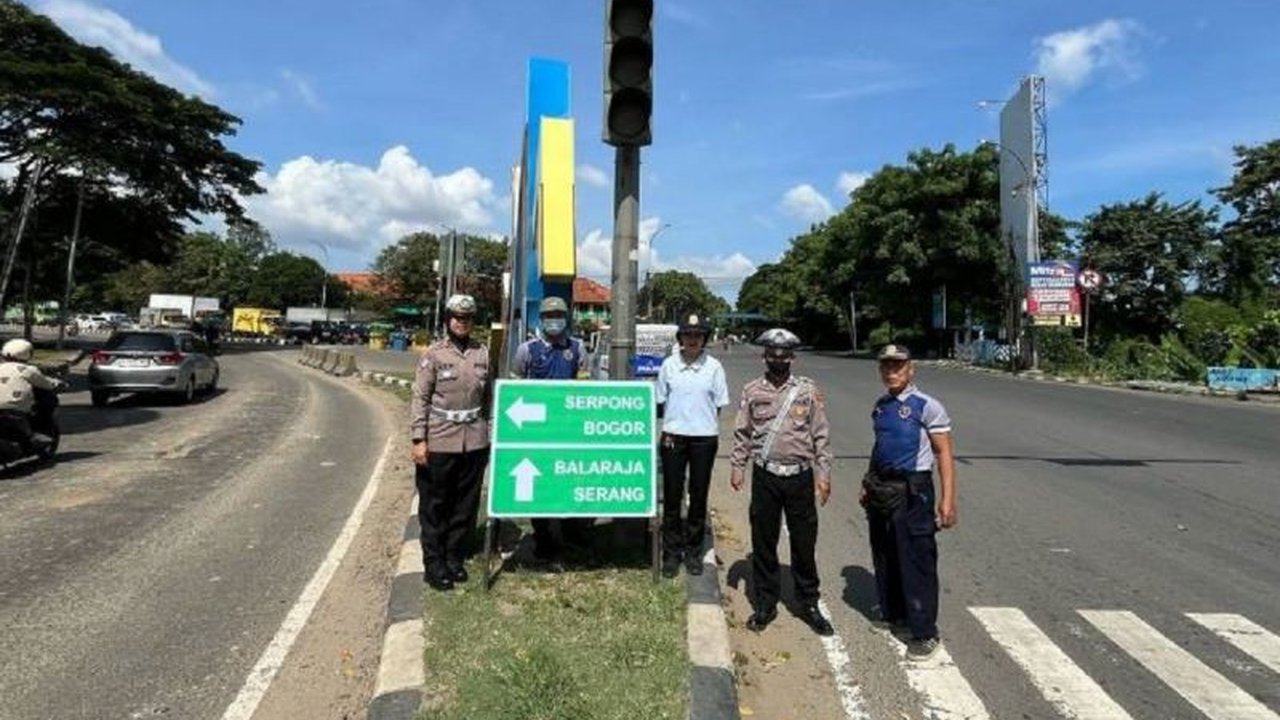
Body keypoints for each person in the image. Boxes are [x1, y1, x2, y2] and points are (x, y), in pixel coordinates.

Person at [729, 328, 835, 636]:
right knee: (764, 542)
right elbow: (742, 433)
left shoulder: (807, 391)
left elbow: (820, 434)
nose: (778, 359)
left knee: (804, 543)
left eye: (784, 354)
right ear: (764, 356)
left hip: (800, 476)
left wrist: (824, 475)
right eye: (773, 354)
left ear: (792, 357)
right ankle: (765, 604)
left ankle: (808, 603)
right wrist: (738, 467)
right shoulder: (751, 391)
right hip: (766, 476)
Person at [861, 343, 958, 661]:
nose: (892, 372)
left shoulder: (926, 406)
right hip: (882, 489)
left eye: (898, 366)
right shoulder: (880, 406)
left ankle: (925, 632)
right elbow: (880, 447)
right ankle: (896, 615)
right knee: (887, 554)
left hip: (914, 490)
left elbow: (943, 452)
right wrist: (867, 482)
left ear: (910, 369)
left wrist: (947, 500)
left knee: (916, 560)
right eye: (886, 367)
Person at [410, 294, 493, 591]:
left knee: (465, 505)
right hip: (440, 439)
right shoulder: (433, 354)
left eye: (467, 318)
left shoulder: (482, 353)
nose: (462, 322)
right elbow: (420, 397)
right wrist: (419, 439)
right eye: (457, 317)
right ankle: (434, 563)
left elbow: (488, 397)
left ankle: (455, 558)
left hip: (473, 441)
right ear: (448, 320)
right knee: (435, 505)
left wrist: (489, 431)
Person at [510, 296, 587, 563]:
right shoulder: (526, 350)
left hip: (568, 433)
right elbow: (515, 388)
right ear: (541, 319)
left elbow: (585, 390)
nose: (554, 319)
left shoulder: (578, 349)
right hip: (536, 433)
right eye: (549, 315)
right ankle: (542, 539)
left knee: (568, 483)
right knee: (540, 488)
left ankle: (569, 537)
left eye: (559, 314)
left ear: (566, 319)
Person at [655, 313, 729, 578]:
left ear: (704, 339)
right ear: (681, 338)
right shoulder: (668, 366)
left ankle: (694, 552)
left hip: (704, 438)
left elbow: (718, 404)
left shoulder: (714, 367)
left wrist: (700, 426)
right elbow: (660, 400)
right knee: (672, 497)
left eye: (698, 335)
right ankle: (671, 553)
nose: (693, 340)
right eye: (688, 335)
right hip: (673, 436)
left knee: (699, 496)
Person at [0, 339, 61, 446]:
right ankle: (37, 433)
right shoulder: (29, 370)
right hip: (15, 410)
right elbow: (46, 384)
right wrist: (57, 383)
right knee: (45, 403)